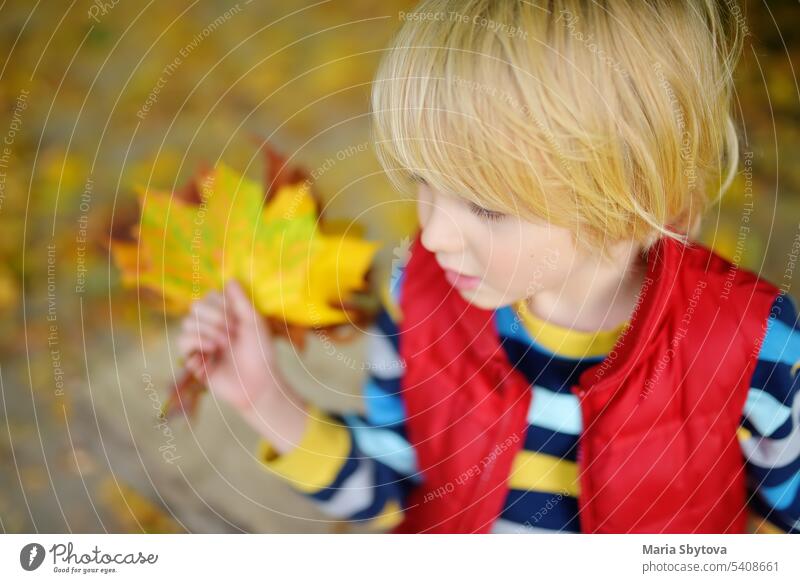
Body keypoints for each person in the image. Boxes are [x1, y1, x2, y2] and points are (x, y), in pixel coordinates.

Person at [176, 0, 800, 533]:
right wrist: (266, 402)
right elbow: (395, 489)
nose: (433, 232)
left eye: (487, 207)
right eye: (424, 181)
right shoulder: (418, 296)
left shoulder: (753, 347)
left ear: (643, 206)